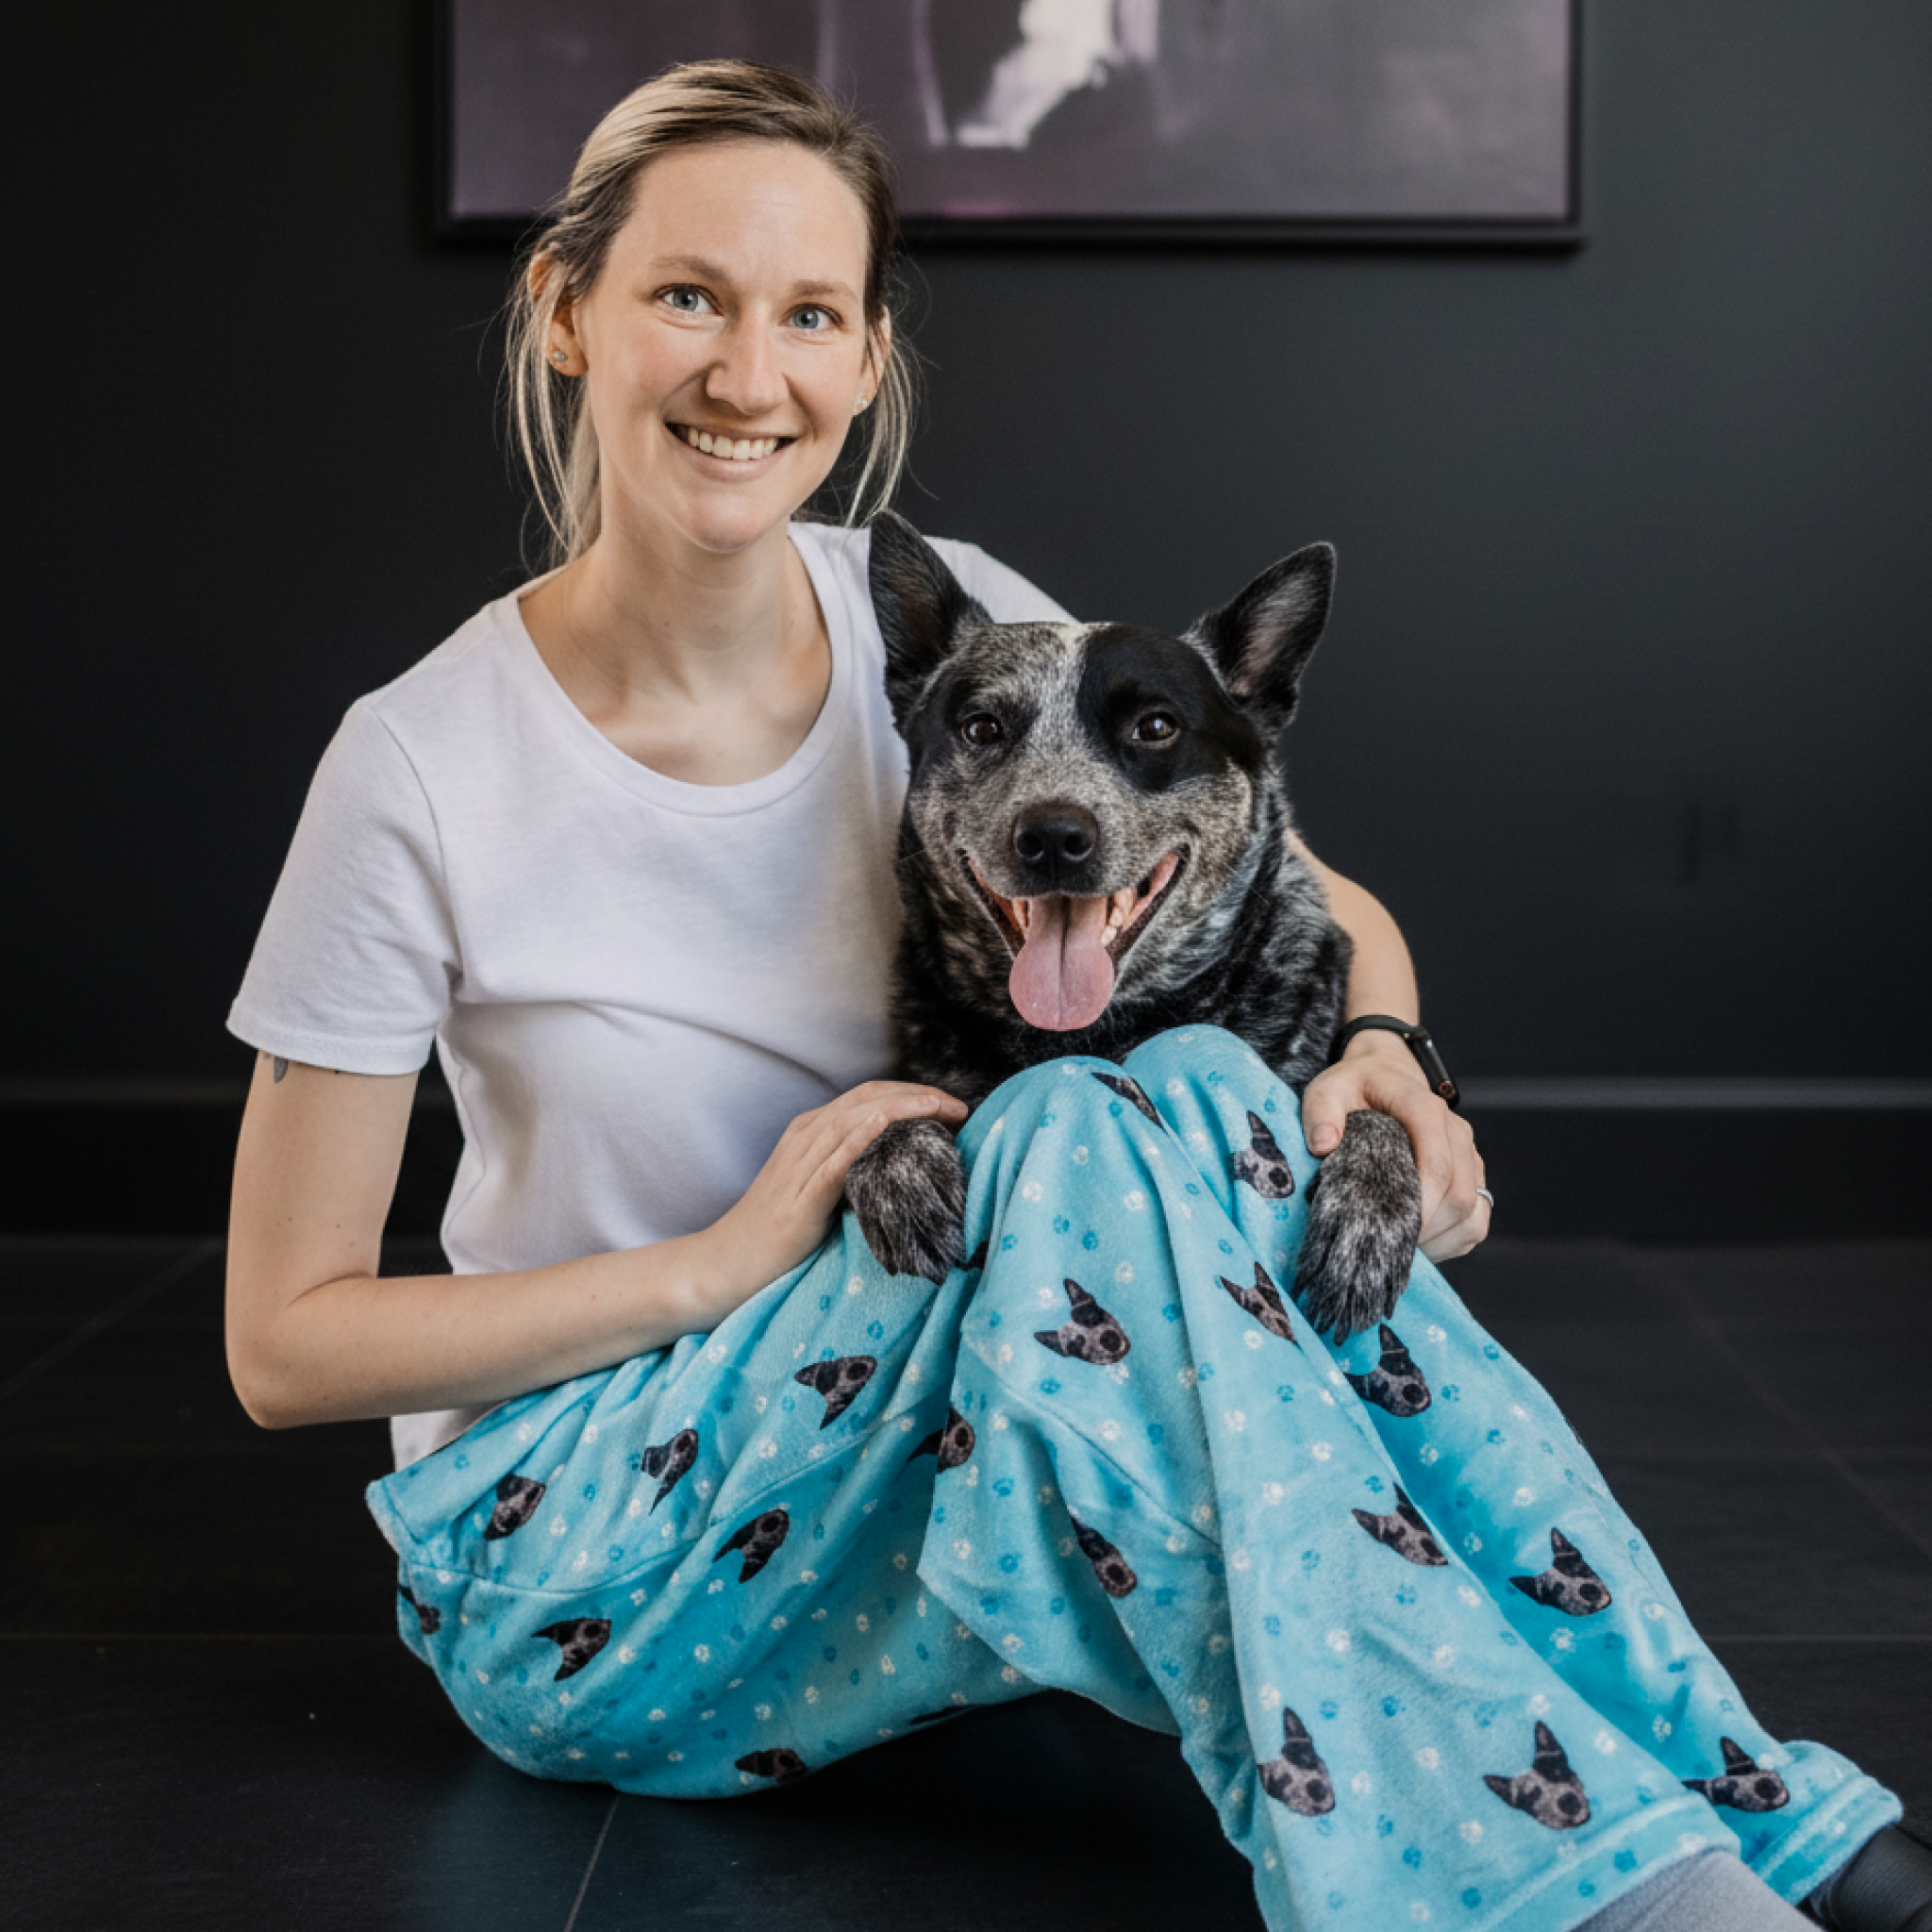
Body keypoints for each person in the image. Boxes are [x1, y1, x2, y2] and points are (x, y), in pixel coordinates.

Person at [225, 59, 1925, 1932]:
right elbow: (283, 1344)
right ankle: (1616, 1880)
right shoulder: (419, 766)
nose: (745, 370)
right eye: (686, 296)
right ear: (569, 310)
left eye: (808, 313)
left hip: (901, 1442)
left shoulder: (947, 624)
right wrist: (725, 1255)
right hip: (583, 1562)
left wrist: (1385, 1063)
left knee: (1180, 1082)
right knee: (1079, 1113)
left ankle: (1716, 1810)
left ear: (865, 360)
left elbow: (1311, 897)